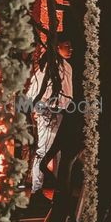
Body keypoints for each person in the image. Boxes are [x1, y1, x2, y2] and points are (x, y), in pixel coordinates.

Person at [24, 37, 74, 194]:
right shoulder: (49, 66)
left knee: (55, 150)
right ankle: (36, 187)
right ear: (58, 47)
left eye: (71, 46)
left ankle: (54, 186)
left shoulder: (65, 66)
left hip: (58, 112)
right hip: (48, 111)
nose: (70, 49)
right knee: (43, 149)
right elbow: (35, 89)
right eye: (67, 45)